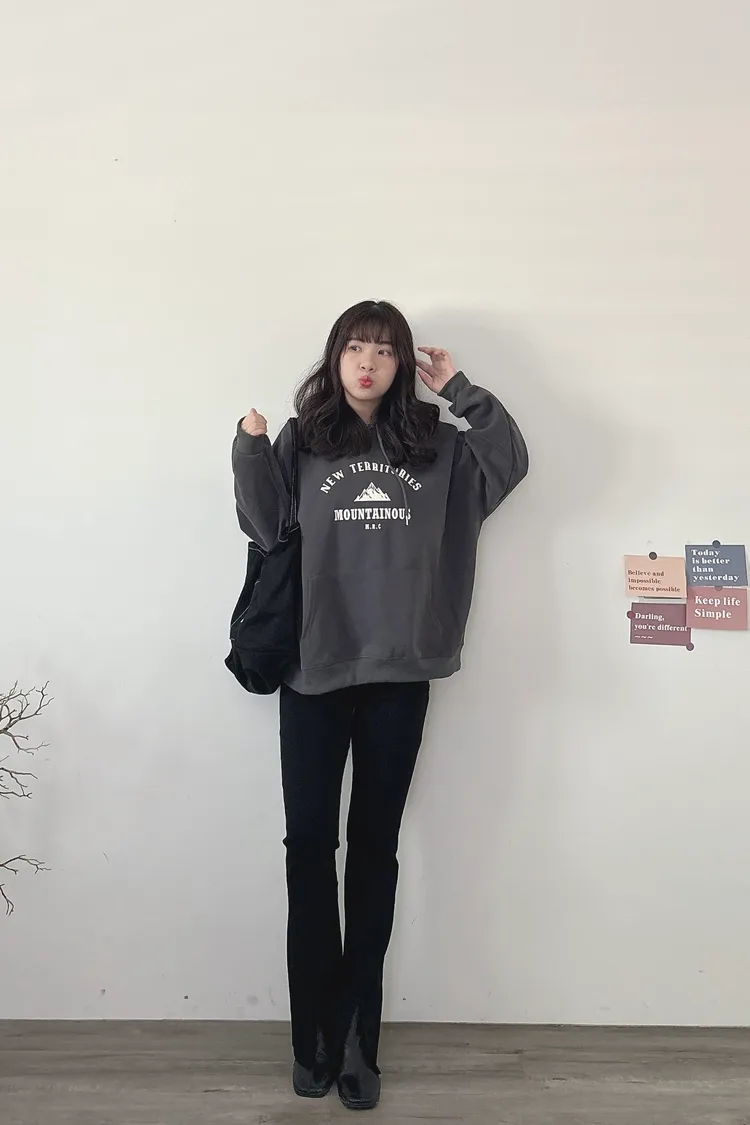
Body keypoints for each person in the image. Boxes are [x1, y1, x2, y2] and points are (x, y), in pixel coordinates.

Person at [231, 300, 528, 1110]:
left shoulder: (436, 444)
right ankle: (313, 1035)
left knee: (374, 850)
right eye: (355, 347)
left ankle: (361, 1034)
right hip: (313, 668)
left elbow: (508, 461)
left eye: (384, 350)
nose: (368, 362)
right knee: (308, 850)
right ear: (335, 357)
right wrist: (250, 447)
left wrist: (460, 388)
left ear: (402, 365)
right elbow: (265, 526)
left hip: (402, 668)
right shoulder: (303, 439)